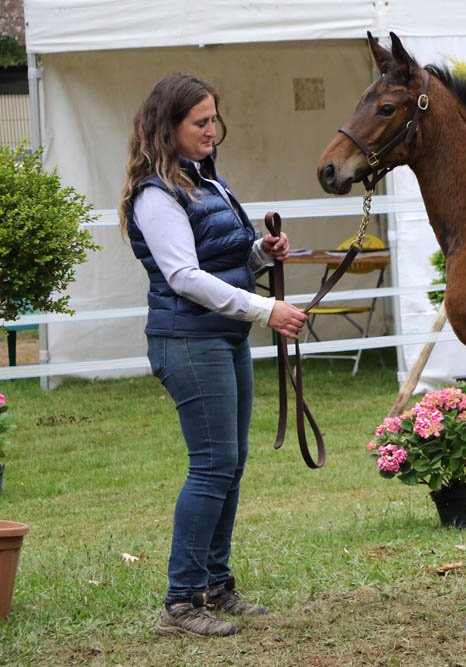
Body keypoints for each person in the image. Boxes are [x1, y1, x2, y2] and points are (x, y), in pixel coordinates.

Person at [118, 73, 308, 637]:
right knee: (211, 466)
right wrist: (265, 310)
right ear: (168, 127)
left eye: (213, 120)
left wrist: (259, 252)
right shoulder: (157, 194)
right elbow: (183, 276)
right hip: (188, 340)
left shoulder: (205, 181)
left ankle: (215, 584)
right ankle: (180, 604)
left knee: (230, 463)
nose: (211, 130)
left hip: (221, 337)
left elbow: (219, 261)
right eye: (200, 122)